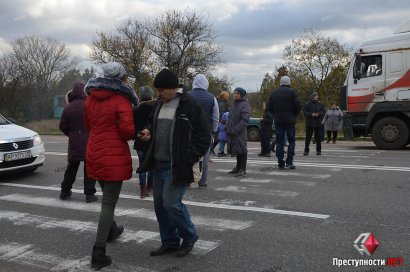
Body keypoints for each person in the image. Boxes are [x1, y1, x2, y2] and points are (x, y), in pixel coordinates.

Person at [137, 68, 210, 258]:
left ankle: (189, 236)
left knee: (171, 204)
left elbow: (204, 135)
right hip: (158, 163)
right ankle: (169, 241)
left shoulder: (188, 104)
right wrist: (147, 130)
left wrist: (189, 157)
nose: (158, 94)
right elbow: (151, 122)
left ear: (173, 88)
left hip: (176, 165)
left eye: (161, 90)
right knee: (160, 206)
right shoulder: (160, 103)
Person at [84, 62, 138, 269]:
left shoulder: (90, 98)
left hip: (94, 151)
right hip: (113, 154)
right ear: (122, 78)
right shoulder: (121, 99)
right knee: (108, 203)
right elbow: (127, 132)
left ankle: (111, 229)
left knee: (106, 197)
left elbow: (89, 125)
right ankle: (98, 251)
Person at [59, 82, 98, 203]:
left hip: (74, 143)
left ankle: (64, 192)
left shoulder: (68, 108)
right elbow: (96, 123)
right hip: (89, 141)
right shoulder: (90, 105)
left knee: (71, 168)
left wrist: (71, 134)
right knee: (89, 169)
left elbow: (62, 126)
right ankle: (89, 195)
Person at [189, 74, 219, 188]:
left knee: (188, 155)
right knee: (205, 158)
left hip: (189, 131)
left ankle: (188, 179)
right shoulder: (212, 98)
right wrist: (214, 130)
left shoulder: (187, 95)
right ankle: (203, 182)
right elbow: (215, 117)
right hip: (205, 132)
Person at [267, 76, 301, 170]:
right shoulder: (292, 92)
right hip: (290, 120)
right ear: (288, 82)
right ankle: (289, 162)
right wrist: (294, 115)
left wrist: (274, 115)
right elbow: (298, 105)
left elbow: (269, 107)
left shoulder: (274, 93)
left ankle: (280, 162)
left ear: (280, 82)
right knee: (291, 140)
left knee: (279, 141)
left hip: (278, 120)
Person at [133, 86, 156, 198]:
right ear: (151, 95)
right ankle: (150, 186)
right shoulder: (155, 108)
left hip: (139, 139)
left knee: (142, 165)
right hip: (151, 140)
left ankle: (142, 189)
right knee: (151, 164)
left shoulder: (135, 109)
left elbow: (133, 125)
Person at [226, 87, 250, 177]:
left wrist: (236, 129)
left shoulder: (244, 104)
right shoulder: (235, 104)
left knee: (242, 149)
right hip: (233, 131)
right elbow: (230, 117)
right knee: (237, 149)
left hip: (239, 132)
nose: (235, 95)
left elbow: (245, 120)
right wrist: (228, 127)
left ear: (242, 95)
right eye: (234, 93)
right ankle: (238, 167)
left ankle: (243, 169)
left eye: (237, 93)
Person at [303, 91, 325, 156]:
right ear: (312, 97)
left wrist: (319, 114)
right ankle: (306, 151)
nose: (317, 97)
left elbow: (323, 111)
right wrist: (311, 114)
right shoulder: (307, 104)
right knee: (308, 138)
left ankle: (319, 151)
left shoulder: (320, 104)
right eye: (316, 96)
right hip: (309, 123)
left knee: (318, 138)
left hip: (318, 123)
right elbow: (305, 112)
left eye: (317, 96)